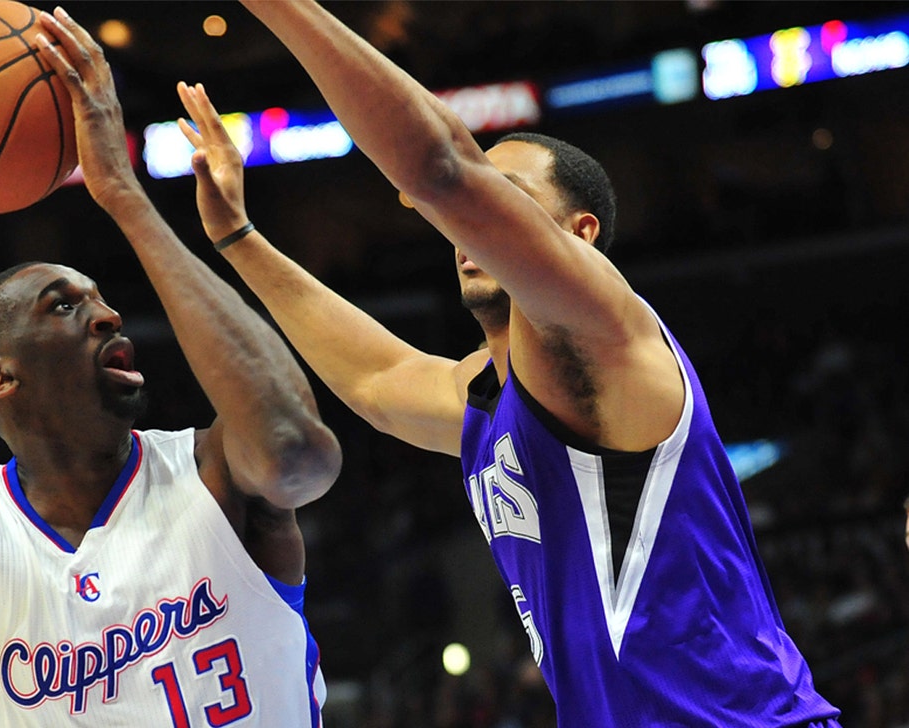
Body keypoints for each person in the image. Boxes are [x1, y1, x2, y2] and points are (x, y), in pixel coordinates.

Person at [171, 1, 842, 724]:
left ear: (580, 235)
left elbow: (443, 170)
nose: (471, 227)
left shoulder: (604, 330)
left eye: (510, 199)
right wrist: (238, 236)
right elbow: (375, 381)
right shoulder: (487, 394)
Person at [0, 8, 339, 726]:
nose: (108, 316)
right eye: (63, 306)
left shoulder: (214, 474)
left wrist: (123, 195)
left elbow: (297, 450)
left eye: (102, 301)